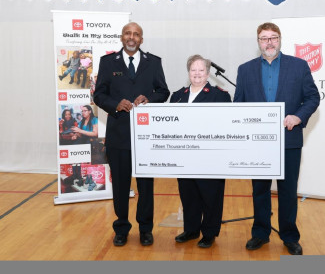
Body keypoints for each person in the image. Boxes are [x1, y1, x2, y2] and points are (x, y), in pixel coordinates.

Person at [234, 22, 320, 255]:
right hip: (258, 142)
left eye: (273, 37)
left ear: (280, 40)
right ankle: (260, 233)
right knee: (260, 189)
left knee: (288, 190)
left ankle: (289, 236)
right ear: (258, 42)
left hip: (289, 139)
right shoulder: (245, 69)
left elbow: (313, 98)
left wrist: (298, 116)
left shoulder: (299, 66)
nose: (269, 42)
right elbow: (238, 105)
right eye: (264, 38)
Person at [94, 22, 169, 247]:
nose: (132, 37)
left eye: (136, 34)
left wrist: (149, 98)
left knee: (146, 186)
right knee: (120, 185)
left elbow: (163, 91)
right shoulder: (108, 62)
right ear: (121, 37)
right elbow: (98, 95)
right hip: (119, 136)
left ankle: (146, 229)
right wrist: (116, 104)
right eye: (128, 33)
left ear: (141, 39)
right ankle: (122, 228)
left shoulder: (154, 62)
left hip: (146, 136)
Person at [170, 55, 231, 248]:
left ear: (208, 73)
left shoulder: (220, 96)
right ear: (188, 72)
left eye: (201, 70)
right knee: (188, 194)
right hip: (184, 155)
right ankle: (191, 229)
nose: (197, 74)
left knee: (210, 195)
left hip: (209, 156)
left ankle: (209, 232)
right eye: (193, 70)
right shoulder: (177, 95)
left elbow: (225, 125)